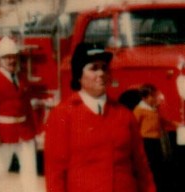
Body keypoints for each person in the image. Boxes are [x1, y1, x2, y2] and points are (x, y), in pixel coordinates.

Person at [43, 44, 155, 192]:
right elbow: (55, 172)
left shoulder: (124, 115)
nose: (101, 73)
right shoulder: (62, 115)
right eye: (93, 68)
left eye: (104, 67)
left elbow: (141, 165)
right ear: (78, 75)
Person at [0, 36, 39, 192]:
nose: (11, 61)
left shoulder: (22, 79)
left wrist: (34, 132)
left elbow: (27, 108)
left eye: (13, 57)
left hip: (24, 133)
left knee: (30, 173)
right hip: (4, 133)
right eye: (6, 57)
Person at [127, 84, 176, 192]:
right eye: (152, 96)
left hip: (155, 140)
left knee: (158, 165)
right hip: (146, 141)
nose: (155, 98)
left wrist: (175, 124)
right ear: (144, 98)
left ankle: (157, 186)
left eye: (155, 95)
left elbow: (161, 121)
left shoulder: (153, 109)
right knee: (149, 165)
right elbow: (133, 126)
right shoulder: (139, 110)